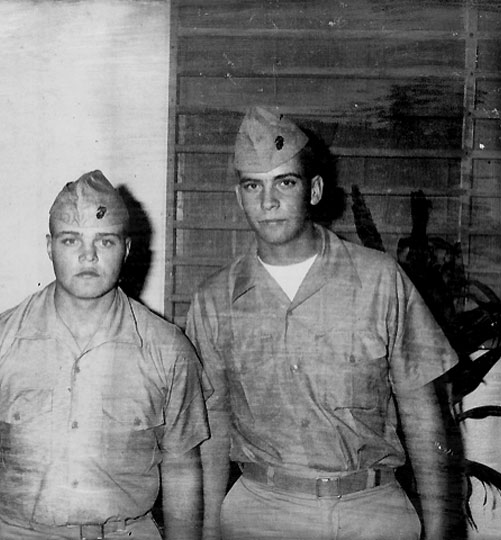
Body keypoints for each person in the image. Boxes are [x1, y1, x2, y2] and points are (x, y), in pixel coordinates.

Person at [185, 107, 458, 540]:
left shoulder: (380, 280)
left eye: (285, 183)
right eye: (253, 186)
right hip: (260, 512)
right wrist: (210, 530)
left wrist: (441, 528)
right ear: (239, 196)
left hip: (371, 513)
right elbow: (214, 427)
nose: (268, 202)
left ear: (313, 190)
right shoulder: (214, 301)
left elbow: (422, 413)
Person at [0, 170, 208, 540]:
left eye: (104, 242)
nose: (88, 255)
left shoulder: (168, 349)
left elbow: (182, 469)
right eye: (71, 240)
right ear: (49, 247)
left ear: (126, 248)